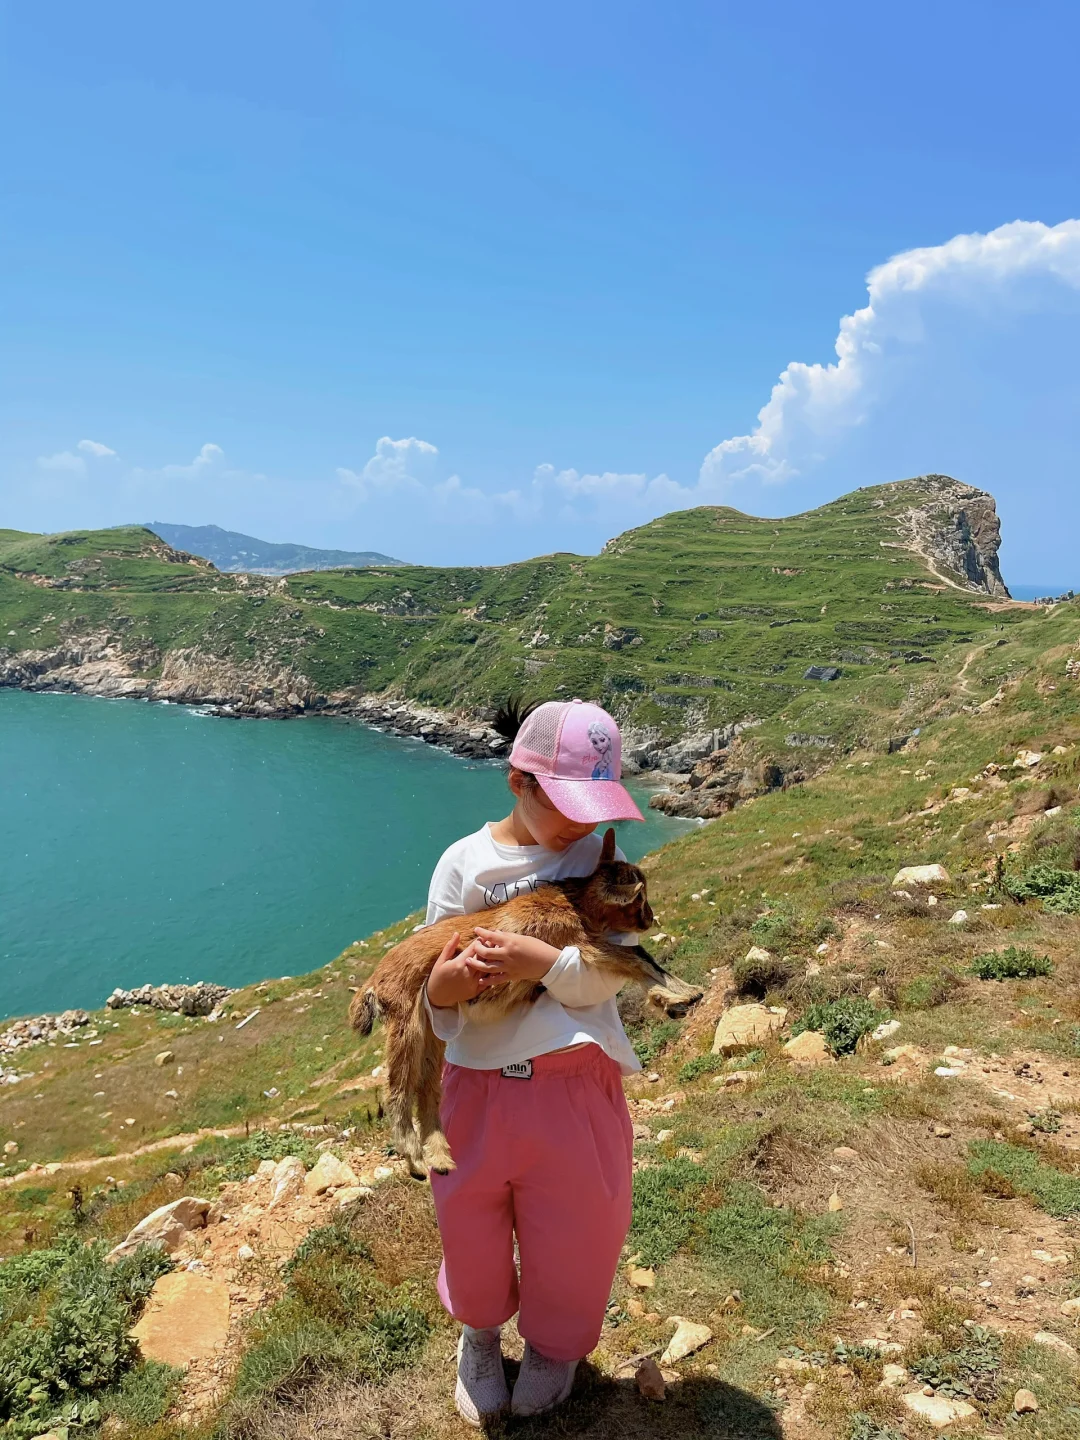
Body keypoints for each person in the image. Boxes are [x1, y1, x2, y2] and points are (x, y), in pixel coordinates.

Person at [423, 696, 645, 1425]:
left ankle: (554, 1348)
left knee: (578, 1228)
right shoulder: (463, 863)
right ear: (519, 782)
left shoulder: (600, 864)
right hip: (478, 1085)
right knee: (471, 1224)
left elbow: (609, 976)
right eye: (568, 806)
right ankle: (480, 1335)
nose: (582, 825)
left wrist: (539, 963)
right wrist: (447, 989)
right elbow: (433, 988)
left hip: (574, 1084)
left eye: (594, 808)